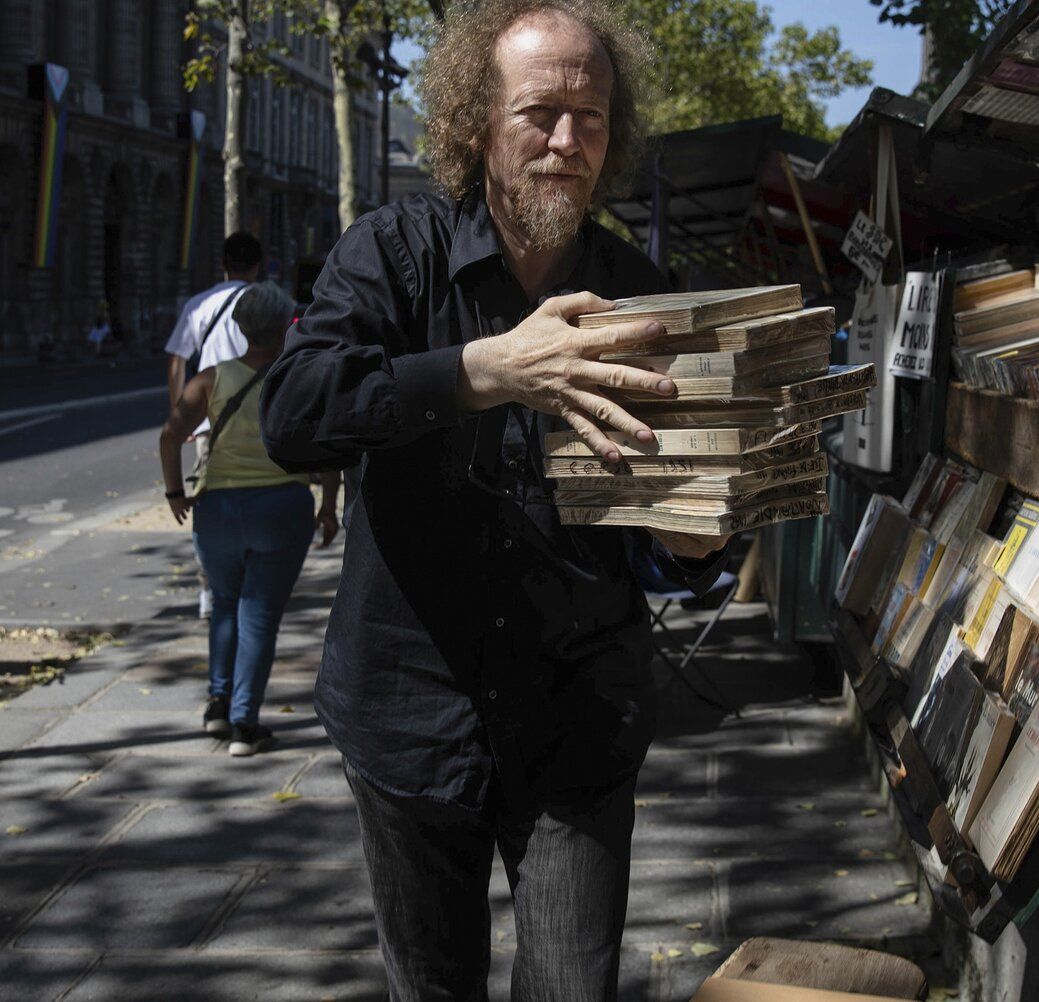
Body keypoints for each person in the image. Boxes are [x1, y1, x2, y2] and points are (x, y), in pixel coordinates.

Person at [260, 2, 729, 997]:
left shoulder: (641, 291)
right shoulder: (392, 255)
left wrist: (694, 546)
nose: (567, 143)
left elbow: (667, 523)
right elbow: (292, 413)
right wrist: (486, 367)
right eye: (538, 113)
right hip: (408, 720)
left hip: (578, 723)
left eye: (591, 117)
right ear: (477, 122)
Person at [159, 282, 340, 757]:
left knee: (224, 604)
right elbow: (325, 450)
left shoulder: (209, 380)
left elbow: (170, 434)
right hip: (282, 507)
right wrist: (328, 504)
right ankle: (244, 723)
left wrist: (175, 492)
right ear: (287, 325)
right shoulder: (299, 378)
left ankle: (217, 704)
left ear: (240, 327)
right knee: (258, 614)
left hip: (217, 509)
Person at [165, 232, 264, 620]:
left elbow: (176, 361)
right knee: (260, 496)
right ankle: (252, 584)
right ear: (256, 266)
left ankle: (210, 588)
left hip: (210, 421)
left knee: (210, 502)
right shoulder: (265, 304)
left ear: (223, 264)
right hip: (259, 418)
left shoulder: (199, 305)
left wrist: (181, 411)